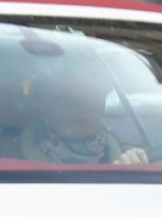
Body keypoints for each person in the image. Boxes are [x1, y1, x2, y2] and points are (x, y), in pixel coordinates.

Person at [19, 54, 148, 166]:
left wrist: (132, 172)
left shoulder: (133, 159)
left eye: (89, 95)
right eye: (64, 98)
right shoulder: (10, 164)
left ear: (103, 101)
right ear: (41, 107)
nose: (79, 107)